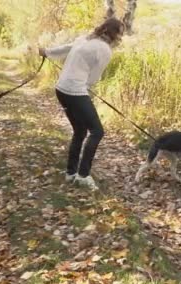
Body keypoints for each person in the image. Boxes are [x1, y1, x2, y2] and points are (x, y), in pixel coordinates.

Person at [39, 17, 124, 191]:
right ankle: (83, 175)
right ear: (114, 34)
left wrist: (46, 52)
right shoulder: (105, 50)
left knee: (80, 131)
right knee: (97, 132)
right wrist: (85, 88)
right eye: (120, 34)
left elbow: (66, 48)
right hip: (74, 91)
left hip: (61, 89)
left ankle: (70, 174)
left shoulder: (85, 38)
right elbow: (93, 78)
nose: (120, 37)